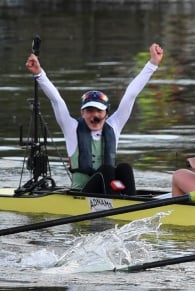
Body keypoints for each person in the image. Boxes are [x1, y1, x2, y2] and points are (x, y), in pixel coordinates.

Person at [25, 43, 164, 196]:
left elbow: (131, 94)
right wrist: (39, 74)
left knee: (124, 168)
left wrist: (153, 63)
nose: (94, 115)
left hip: (109, 189)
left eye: (99, 111)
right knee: (107, 170)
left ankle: (131, 201)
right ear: (82, 113)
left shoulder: (114, 126)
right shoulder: (71, 128)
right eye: (89, 111)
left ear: (106, 114)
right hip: (81, 194)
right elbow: (56, 100)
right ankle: (118, 205)